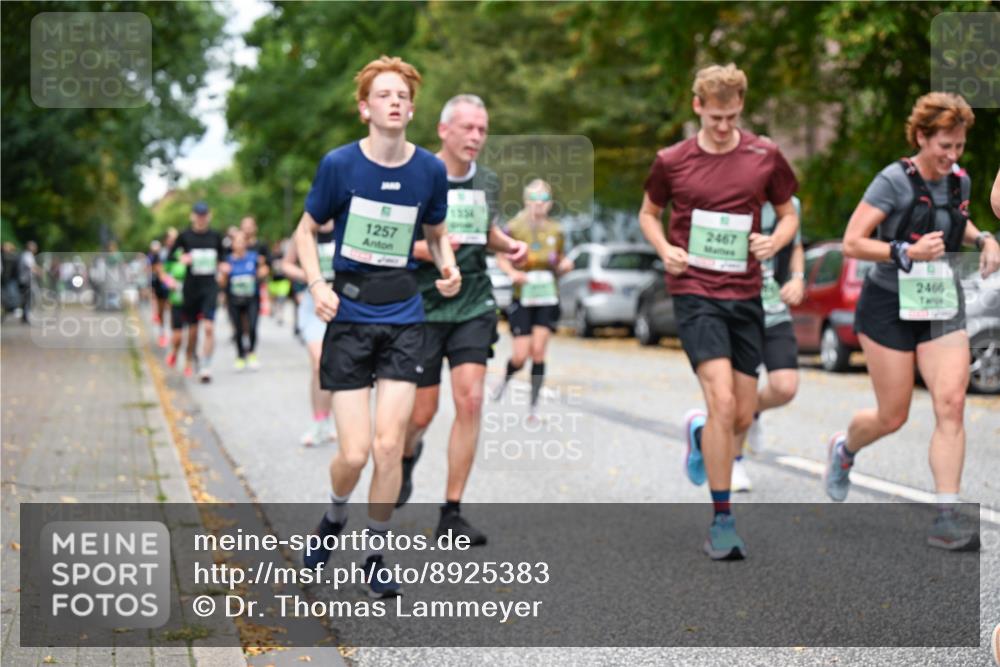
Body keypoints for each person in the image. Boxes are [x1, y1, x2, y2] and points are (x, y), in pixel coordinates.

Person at [295, 56, 460, 598]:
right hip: (349, 316)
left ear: (411, 109)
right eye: (384, 95)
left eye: (403, 96)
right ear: (365, 108)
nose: (395, 102)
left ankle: (374, 553)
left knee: (391, 447)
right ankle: (335, 516)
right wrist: (318, 285)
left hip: (404, 315)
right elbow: (305, 232)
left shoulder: (430, 171)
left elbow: (436, 233)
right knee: (355, 454)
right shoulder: (340, 165)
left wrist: (447, 264)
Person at [825, 92, 999, 551]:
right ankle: (845, 449)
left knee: (951, 403)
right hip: (888, 306)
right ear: (922, 136)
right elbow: (852, 242)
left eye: (959, 146)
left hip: (940, 301)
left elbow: (955, 222)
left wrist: (984, 239)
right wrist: (906, 250)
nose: (951, 155)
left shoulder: (959, 180)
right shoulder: (892, 181)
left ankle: (946, 515)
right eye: (944, 144)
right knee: (892, 414)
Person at [639, 64, 799, 560]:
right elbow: (648, 213)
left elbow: (789, 211)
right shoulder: (673, 160)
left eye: (732, 117)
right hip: (694, 291)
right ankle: (722, 520)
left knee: (744, 412)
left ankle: (700, 435)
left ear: (741, 110)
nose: (724, 127)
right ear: (698, 108)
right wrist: (665, 248)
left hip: (745, 293)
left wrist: (775, 238)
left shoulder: (764, 155)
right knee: (724, 403)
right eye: (715, 117)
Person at [397, 94, 528, 545]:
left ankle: (451, 512)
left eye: (482, 129)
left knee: (469, 401)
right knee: (422, 412)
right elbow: (396, 241)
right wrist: (437, 249)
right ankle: (406, 458)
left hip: (473, 301)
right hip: (425, 304)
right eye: (468, 128)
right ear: (443, 130)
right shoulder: (417, 176)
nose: (476, 137)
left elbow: (485, 231)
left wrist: (509, 245)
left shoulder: (486, 181)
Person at [731, 196, 805, 492]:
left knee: (785, 387)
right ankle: (734, 460)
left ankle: (754, 413)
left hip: (774, 309)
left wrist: (797, 278)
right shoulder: (726, 195)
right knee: (739, 393)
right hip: (736, 311)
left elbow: (796, 245)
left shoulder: (788, 204)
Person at [492, 179, 573, 421]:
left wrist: (565, 265)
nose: (539, 205)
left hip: (547, 295)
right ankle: (506, 378)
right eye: (534, 200)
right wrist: (513, 273)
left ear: (549, 204)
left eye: (544, 200)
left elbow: (559, 261)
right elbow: (500, 256)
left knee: (538, 351)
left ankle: (533, 407)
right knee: (520, 354)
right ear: (526, 201)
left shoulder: (556, 230)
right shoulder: (514, 226)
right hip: (523, 295)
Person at [281, 220, 338, 447]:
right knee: (318, 362)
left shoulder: (346, 221)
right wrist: (312, 276)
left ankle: (328, 420)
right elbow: (286, 265)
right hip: (314, 304)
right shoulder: (305, 230)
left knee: (335, 364)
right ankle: (318, 421)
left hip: (343, 301)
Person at [169, 202, 225, 383]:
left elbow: (223, 259)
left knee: (209, 327)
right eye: (198, 215)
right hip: (191, 288)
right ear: (193, 216)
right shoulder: (184, 236)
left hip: (209, 287)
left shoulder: (215, 236)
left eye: (204, 214)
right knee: (192, 330)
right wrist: (181, 258)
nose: (201, 218)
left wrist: (223, 267)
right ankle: (189, 356)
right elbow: (170, 256)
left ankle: (206, 366)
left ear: (209, 216)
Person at [219, 230, 268, 371]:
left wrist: (263, 272)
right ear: (233, 244)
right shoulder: (228, 261)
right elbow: (222, 284)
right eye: (237, 242)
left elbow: (264, 269)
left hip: (252, 298)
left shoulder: (254, 258)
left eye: (242, 241)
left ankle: (252, 353)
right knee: (238, 329)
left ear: (246, 243)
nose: (240, 244)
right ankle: (240, 356)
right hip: (234, 299)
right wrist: (223, 274)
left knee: (252, 326)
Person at [239, 216, 271, 369]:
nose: (246, 229)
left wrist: (261, 271)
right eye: (243, 226)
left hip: (254, 291)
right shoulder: (235, 246)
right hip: (236, 294)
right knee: (240, 323)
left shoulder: (261, 246)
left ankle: (251, 351)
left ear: (254, 228)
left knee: (252, 323)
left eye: (249, 226)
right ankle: (240, 351)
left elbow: (268, 266)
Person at [18, 241, 39, 324]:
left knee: (27, 299)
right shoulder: (27, 255)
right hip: (25, 280)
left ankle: (25, 316)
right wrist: (39, 272)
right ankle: (25, 316)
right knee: (27, 299)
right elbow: (31, 266)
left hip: (26, 280)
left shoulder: (28, 255)